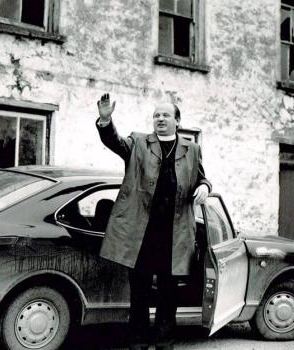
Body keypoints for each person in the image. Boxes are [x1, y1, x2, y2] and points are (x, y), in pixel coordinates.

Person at [95, 93, 211, 350]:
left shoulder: (192, 150)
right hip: (141, 233)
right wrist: (105, 121)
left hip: (175, 234)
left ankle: (164, 342)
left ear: (177, 121)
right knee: (140, 291)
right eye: (156, 115)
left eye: (165, 115)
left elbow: (201, 177)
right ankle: (137, 341)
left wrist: (204, 186)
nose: (160, 118)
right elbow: (115, 142)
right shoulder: (138, 142)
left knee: (169, 293)